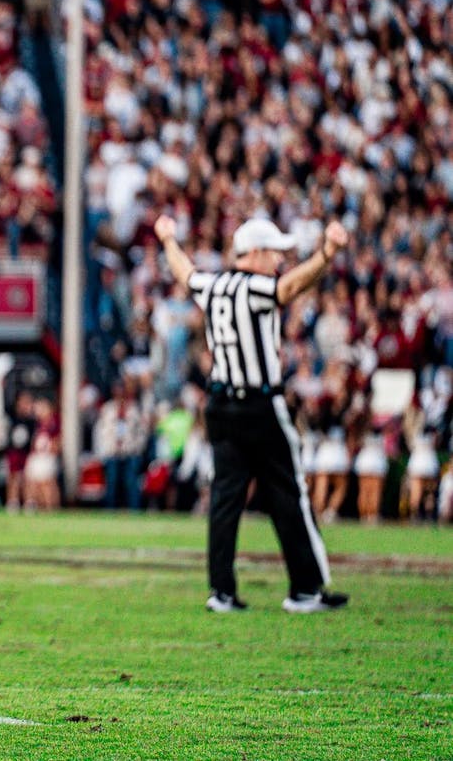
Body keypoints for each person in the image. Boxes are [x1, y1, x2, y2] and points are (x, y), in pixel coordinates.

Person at [155, 214, 349, 614]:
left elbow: (184, 272)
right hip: (259, 404)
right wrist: (326, 253)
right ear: (256, 252)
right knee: (288, 491)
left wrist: (168, 240)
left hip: (220, 405)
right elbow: (290, 286)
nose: (277, 260)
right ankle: (306, 589)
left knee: (226, 497)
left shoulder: (214, 284)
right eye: (273, 252)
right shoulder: (254, 287)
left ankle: (221, 591)